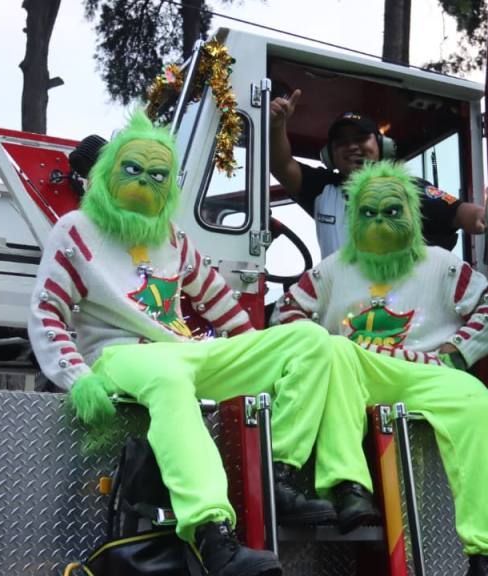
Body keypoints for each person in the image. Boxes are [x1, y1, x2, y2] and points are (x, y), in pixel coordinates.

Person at [30, 111, 360, 576]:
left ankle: (278, 473)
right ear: (107, 173)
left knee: (309, 340)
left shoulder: (173, 238)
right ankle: (211, 535)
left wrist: (256, 357)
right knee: (169, 376)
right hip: (117, 355)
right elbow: (48, 312)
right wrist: (76, 377)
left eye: (157, 174)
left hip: (185, 351)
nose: (145, 180)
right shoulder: (76, 230)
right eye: (133, 169)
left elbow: (220, 302)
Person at [271, 161, 488, 576]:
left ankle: (486, 555)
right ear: (353, 217)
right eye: (369, 212)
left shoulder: (440, 263)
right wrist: (317, 345)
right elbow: (284, 312)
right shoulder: (334, 267)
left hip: (429, 372)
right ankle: (348, 488)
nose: (380, 219)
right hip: (357, 369)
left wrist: (454, 354)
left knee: (477, 404)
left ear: (411, 212)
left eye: (391, 211)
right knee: (336, 354)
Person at [270, 89, 487, 258]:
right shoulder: (321, 189)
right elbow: (280, 164)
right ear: (329, 155)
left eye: (361, 138)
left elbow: (459, 212)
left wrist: (484, 217)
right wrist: (277, 125)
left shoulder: (406, 189)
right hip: (337, 311)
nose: (352, 146)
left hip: (395, 312)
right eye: (343, 142)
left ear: (382, 146)